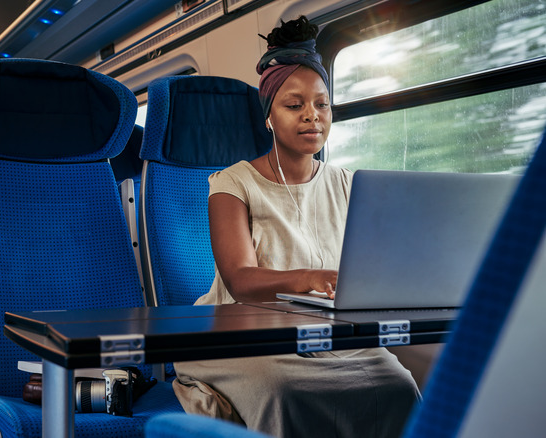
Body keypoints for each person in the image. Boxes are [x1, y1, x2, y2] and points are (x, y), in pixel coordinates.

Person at [171, 16, 421, 437]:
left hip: (326, 329)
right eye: (294, 105)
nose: (312, 116)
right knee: (284, 391)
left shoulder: (347, 183)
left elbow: (376, 263)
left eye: (322, 104)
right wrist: (315, 278)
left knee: (399, 387)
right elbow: (241, 281)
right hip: (240, 331)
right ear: (269, 116)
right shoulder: (232, 183)